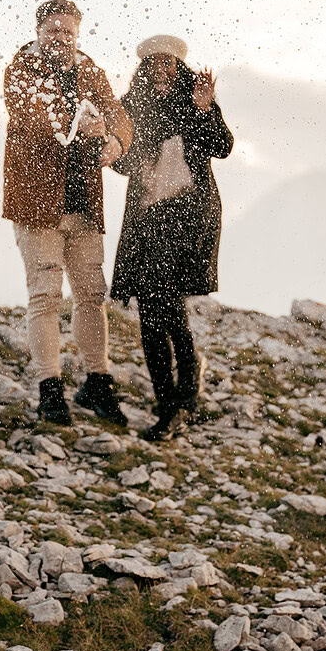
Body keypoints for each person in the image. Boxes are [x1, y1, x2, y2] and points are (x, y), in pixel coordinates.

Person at [3, 0, 133, 427]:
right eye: (53, 30)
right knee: (45, 294)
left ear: (78, 34)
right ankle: (49, 388)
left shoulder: (91, 71)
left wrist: (114, 140)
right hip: (37, 202)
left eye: (68, 32)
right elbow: (36, 119)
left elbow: (118, 115)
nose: (60, 38)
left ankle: (97, 382)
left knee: (91, 295)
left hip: (83, 202)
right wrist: (82, 125)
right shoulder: (20, 70)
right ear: (39, 30)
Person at [111, 35, 233, 441]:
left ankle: (177, 404)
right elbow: (125, 163)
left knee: (164, 305)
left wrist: (203, 110)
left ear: (177, 67)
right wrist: (108, 148)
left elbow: (222, 146)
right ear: (144, 68)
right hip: (147, 219)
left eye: (168, 64)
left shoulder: (194, 99)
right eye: (154, 64)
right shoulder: (133, 105)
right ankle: (177, 398)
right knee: (154, 313)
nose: (161, 70)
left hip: (186, 218)